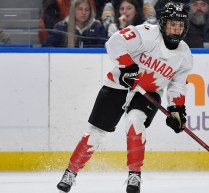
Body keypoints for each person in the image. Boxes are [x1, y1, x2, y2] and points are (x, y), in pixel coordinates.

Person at [56, 2, 193, 193]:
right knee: (96, 132)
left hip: (148, 94)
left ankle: (134, 175)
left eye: (180, 25)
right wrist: (127, 67)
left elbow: (177, 85)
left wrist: (177, 110)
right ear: (163, 23)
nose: (176, 29)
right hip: (117, 84)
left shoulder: (185, 54)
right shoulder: (146, 33)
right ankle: (71, 172)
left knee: (135, 122)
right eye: (172, 24)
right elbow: (115, 42)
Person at [43, 0, 107, 48]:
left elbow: (103, 48)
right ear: (73, 10)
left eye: (87, 10)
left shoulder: (98, 28)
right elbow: (47, 46)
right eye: (80, 9)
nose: (83, 13)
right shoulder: (61, 27)